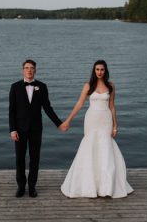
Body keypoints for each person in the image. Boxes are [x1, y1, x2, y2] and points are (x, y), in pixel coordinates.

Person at [60, 60, 133, 198]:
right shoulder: (88, 86)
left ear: (106, 71)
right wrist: (68, 120)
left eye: (102, 69)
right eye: (97, 69)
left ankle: (106, 186)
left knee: (105, 149)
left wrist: (115, 125)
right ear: (94, 71)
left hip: (105, 120)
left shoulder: (111, 86)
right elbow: (79, 104)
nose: (99, 72)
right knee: (90, 147)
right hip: (91, 119)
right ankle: (89, 184)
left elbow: (112, 106)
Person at [9, 59, 65, 198]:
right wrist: (13, 129)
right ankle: (21, 187)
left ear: (35, 70)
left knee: (35, 158)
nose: (29, 70)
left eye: (32, 68)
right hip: (19, 130)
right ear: (23, 70)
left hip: (36, 129)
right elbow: (12, 110)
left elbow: (47, 108)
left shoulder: (42, 86)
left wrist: (59, 123)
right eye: (26, 68)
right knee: (19, 159)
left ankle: (32, 187)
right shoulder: (14, 87)